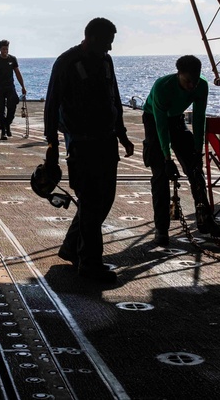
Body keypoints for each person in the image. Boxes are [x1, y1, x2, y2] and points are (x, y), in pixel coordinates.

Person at [44, 18, 134, 283]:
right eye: (107, 42)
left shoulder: (106, 62)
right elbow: (51, 105)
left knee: (103, 201)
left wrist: (123, 135)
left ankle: (73, 248)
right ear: (92, 38)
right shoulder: (66, 62)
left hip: (106, 142)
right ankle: (90, 264)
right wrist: (52, 145)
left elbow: (114, 98)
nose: (109, 48)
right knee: (92, 202)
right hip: (81, 144)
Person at [142, 54, 220, 246]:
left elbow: (199, 120)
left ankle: (205, 220)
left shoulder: (202, 86)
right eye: (188, 81)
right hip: (154, 120)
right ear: (178, 74)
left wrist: (197, 153)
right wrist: (167, 158)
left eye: (195, 81)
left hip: (177, 120)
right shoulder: (162, 87)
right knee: (160, 175)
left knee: (195, 170)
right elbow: (161, 126)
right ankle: (161, 229)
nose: (192, 86)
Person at [0, 39, 27, 140]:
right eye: (3, 49)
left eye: (6, 49)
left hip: (10, 87)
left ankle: (7, 124)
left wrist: (23, 87)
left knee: (12, 106)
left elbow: (17, 73)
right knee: (1, 109)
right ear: (0, 49)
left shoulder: (13, 59)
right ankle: (3, 131)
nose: (5, 51)